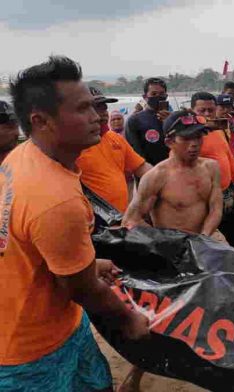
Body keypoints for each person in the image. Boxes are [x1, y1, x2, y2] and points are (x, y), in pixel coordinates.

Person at [0, 55, 148, 391]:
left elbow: (31, 246)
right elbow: (81, 289)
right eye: (82, 109)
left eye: (94, 106)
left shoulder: (25, 157)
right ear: (41, 121)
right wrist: (129, 320)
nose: (97, 116)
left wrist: (88, 263)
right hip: (30, 351)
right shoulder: (55, 197)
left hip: (61, 321)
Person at [120, 110, 223, 391]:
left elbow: (216, 207)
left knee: (211, 312)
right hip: (169, 259)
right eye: (187, 138)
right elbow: (131, 219)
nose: (195, 144)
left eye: (198, 137)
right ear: (169, 141)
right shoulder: (156, 176)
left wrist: (203, 238)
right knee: (160, 322)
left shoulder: (210, 168)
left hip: (201, 250)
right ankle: (134, 376)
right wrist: (161, 244)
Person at [190, 92, 234, 253]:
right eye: (201, 111)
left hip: (224, 194)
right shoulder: (188, 136)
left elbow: (228, 159)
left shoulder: (218, 129)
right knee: (198, 243)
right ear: (191, 111)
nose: (206, 114)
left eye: (210, 110)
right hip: (199, 198)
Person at [76, 87, 152, 213]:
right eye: (97, 107)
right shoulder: (73, 145)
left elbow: (142, 168)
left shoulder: (116, 139)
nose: (104, 112)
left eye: (104, 106)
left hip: (121, 217)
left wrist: (168, 180)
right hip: (92, 222)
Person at [125, 78, 170, 165]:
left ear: (166, 96)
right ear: (145, 97)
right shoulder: (134, 120)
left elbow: (180, 145)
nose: (158, 96)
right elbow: (135, 152)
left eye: (161, 94)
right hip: (147, 172)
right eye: (154, 94)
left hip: (172, 171)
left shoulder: (173, 119)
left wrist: (170, 123)